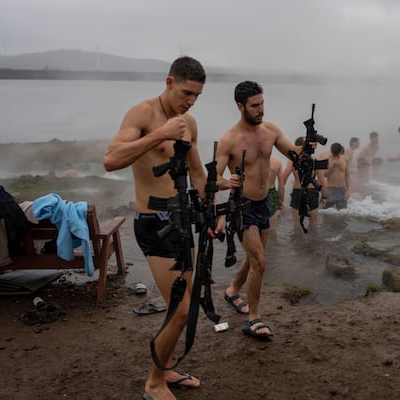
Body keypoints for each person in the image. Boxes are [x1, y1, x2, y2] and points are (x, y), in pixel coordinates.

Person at [103, 56, 214, 399]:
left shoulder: (189, 123)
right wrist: (159, 135)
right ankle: (154, 383)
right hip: (153, 222)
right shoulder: (142, 113)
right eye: (186, 92)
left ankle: (166, 369)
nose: (190, 101)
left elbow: (197, 173)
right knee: (181, 309)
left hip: (182, 221)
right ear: (169, 83)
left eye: (196, 95)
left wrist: (211, 211)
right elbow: (111, 160)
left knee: (181, 305)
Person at [215, 81, 312, 339]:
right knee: (259, 261)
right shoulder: (229, 140)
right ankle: (254, 318)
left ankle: (232, 289)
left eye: (262, 103)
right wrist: (228, 181)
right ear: (240, 106)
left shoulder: (270, 131)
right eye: (255, 106)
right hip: (242, 206)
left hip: (263, 203)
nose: (261, 110)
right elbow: (211, 179)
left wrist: (309, 147)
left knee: (254, 257)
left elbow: (295, 154)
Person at [282, 137, 326, 230]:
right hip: (312, 191)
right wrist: (323, 196)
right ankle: (313, 243)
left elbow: (283, 178)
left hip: (298, 191)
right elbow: (322, 181)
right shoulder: (317, 158)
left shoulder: (292, 160)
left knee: (296, 225)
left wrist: (281, 198)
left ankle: (297, 243)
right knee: (314, 224)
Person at [323, 142, 350, 209]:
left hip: (341, 189)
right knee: (327, 212)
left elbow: (347, 175)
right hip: (330, 189)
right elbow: (324, 175)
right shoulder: (326, 160)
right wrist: (332, 166)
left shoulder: (345, 160)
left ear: (340, 151)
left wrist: (348, 189)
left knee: (343, 213)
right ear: (331, 151)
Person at [267, 156, 285, 230]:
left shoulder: (252, 160)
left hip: (255, 193)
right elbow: (281, 185)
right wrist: (281, 201)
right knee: (272, 228)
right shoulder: (277, 162)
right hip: (271, 194)